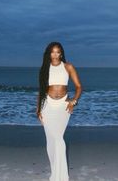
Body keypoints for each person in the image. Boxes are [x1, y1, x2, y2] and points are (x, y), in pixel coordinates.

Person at [36, 41, 82, 181]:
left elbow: (79, 87)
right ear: (49, 53)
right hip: (47, 105)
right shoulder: (45, 69)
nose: (55, 54)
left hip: (63, 106)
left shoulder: (68, 67)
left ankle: (61, 177)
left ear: (61, 53)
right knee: (50, 141)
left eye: (57, 51)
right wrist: (38, 109)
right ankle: (55, 172)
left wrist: (73, 101)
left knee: (58, 139)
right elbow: (41, 90)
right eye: (52, 51)